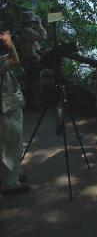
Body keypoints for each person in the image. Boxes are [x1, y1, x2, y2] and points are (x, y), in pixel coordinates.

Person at [0, 25, 29, 193]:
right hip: (7, 109)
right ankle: (10, 183)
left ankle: (12, 175)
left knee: (7, 144)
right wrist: (9, 43)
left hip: (8, 107)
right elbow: (15, 60)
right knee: (12, 144)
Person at [19, 11, 47, 111]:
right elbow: (43, 36)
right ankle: (35, 104)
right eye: (34, 21)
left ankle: (33, 103)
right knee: (36, 83)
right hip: (30, 60)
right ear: (30, 22)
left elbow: (34, 45)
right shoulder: (27, 31)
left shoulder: (26, 30)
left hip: (29, 59)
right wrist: (40, 25)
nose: (34, 22)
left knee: (33, 82)